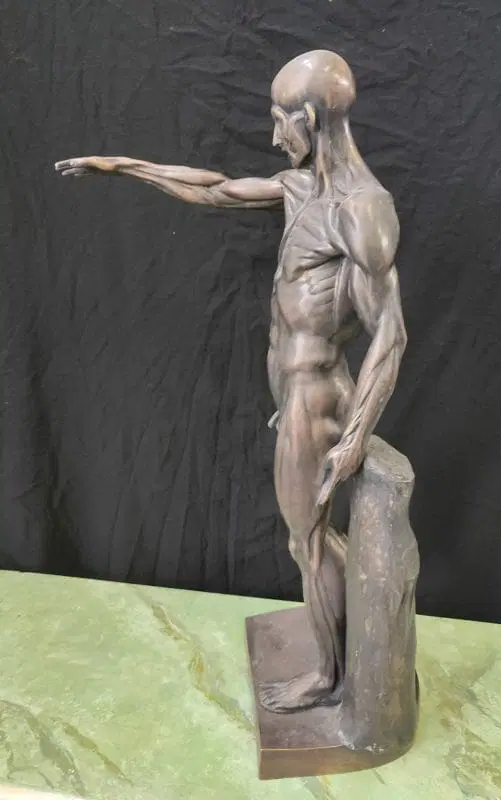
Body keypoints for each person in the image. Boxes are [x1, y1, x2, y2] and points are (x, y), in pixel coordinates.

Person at [56, 49, 407, 713]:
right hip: (294, 396)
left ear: (309, 118)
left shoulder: (361, 211)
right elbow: (214, 188)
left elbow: (390, 335)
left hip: (315, 398)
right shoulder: (301, 189)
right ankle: (352, 650)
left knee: (307, 540)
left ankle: (333, 677)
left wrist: (355, 437)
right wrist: (120, 165)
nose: (274, 136)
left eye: (280, 120)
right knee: (308, 537)